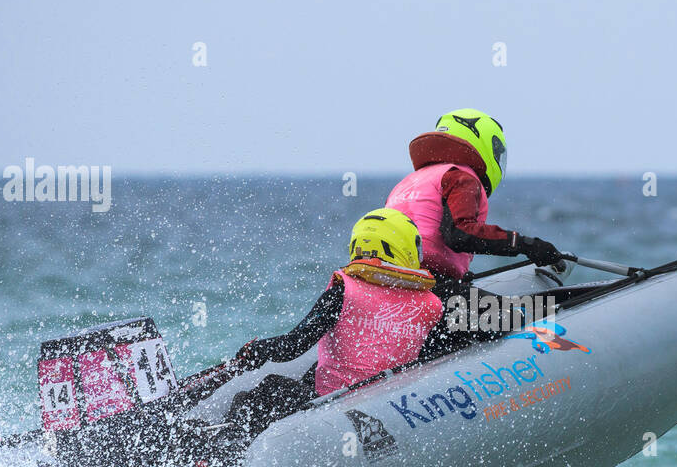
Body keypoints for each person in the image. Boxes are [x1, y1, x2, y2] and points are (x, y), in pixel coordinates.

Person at [222, 208, 504, 438]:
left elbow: (293, 345)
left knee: (267, 390)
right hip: (386, 404)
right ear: (402, 248)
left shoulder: (344, 291)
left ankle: (221, 456)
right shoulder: (431, 304)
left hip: (330, 401)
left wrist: (256, 350)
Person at [385, 109, 565, 301]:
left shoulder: (408, 182)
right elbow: (460, 234)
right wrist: (527, 245)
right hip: (428, 287)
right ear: (482, 143)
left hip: (394, 283)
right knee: (514, 316)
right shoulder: (461, 176)